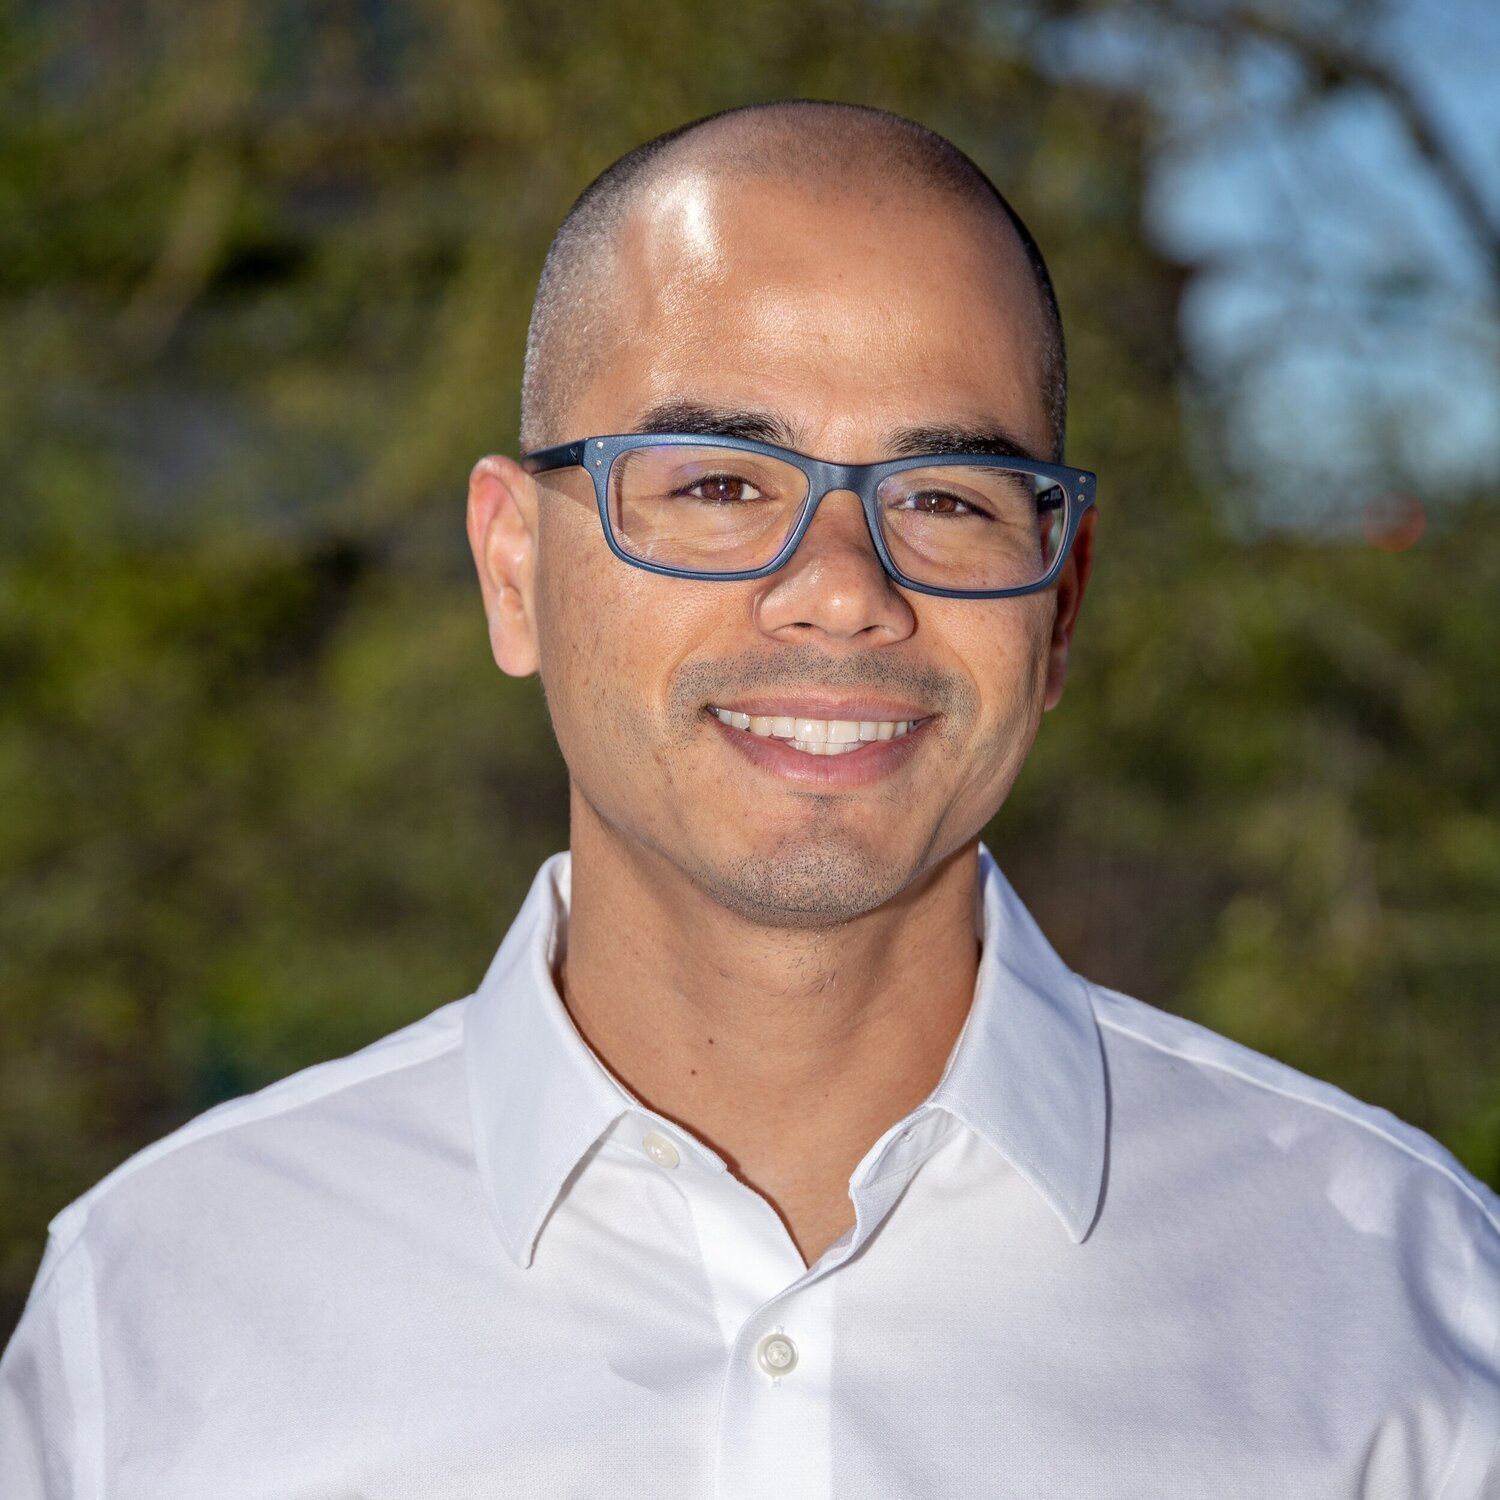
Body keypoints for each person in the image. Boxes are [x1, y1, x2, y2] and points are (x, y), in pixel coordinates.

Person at [2, 98, 1496, 1499]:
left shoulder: (1406, 1310)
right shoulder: (155, 1314)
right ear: (513, 569)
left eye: (948, 500)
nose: (842, 593)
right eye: (717, 483)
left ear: (1061, 610)